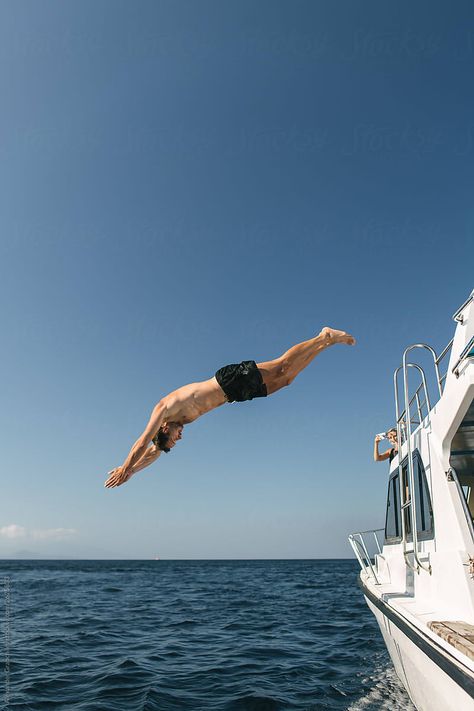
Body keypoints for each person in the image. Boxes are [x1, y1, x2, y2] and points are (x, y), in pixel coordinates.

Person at [104, 326, 356, 488]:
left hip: (229, 380)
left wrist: (124, 467)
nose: (179, 438)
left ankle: (322, 336)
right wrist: (133, 473)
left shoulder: (163, 409)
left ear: (164, 429)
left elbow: (141, 444)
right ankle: (326, 344)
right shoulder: (173, 426)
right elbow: (153, 452)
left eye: (174, 438)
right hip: (235, 395)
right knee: (287, 381)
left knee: (282, 366)